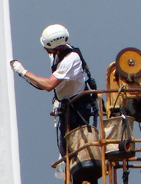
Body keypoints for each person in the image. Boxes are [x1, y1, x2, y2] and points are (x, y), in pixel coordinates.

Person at [10, 24, 96, 156]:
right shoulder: (57, 54)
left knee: (77, 149)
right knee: (64, 149)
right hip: (66, 104)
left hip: (78, 107)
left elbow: (49, 85)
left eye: (47, 47)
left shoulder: (71, 59)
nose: (45, 49)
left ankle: (81, 174)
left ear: (58, 47)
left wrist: (23, 72)